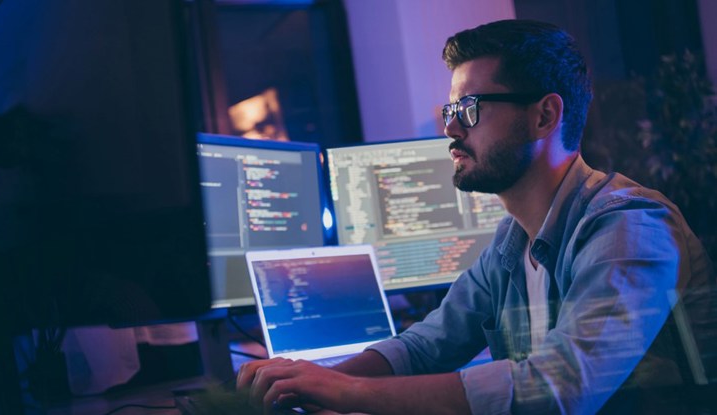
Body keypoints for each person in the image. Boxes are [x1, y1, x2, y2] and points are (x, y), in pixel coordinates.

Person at [236, 19, 715, 414]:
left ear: (545, 116)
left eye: (468, 108)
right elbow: (426, 346)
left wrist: (346, 394)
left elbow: (559, 389)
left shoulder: (629, 226)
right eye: (450, 108)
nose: (448, 127)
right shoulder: (512, 243)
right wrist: (308, 382)